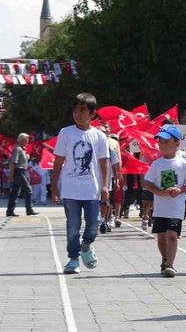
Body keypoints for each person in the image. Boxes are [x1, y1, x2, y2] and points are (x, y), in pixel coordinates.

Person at [51, 93, 109, 274]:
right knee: (73, 226)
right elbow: (58, 162)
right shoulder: (66, 133)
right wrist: (54, 187)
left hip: (91, 190)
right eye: (75, 109)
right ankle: (73, 259)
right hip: (70, 190)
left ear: (92, 114)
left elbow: (104, 162)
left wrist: (105, 185)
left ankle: (86, 245)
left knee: (94, 224)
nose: (78, 113)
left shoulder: (99, 136)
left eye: (83, 110)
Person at [142, 125, 186, 277]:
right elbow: (148, 183)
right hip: (160, 208)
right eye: (160, 141)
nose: (163, 144)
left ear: (177, 143)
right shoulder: (156, 164)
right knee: (161, 238)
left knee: (172, 235)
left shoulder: (183, 163)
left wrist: (180, 190)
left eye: (167, 141)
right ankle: (164, 258)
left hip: (175, 208)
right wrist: (160, 192)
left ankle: (170, 265)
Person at [6, 133, 38, 217]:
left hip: (22, 171)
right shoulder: (18, 149)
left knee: (15, 192)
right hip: (18, 171)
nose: (28, 141)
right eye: (27, 139)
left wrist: (27, 157)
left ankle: (10, 211)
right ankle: (29, 210)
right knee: (28, 190)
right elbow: (13, 162)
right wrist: (11, 174)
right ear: (22, 140)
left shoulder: (23, 150)